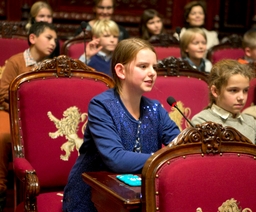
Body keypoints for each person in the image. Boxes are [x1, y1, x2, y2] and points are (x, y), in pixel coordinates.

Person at [62, 37, 180, 211]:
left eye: (154, 67)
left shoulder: (155, 108)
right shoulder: (101, 106)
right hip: (94, 196)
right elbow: (116, 159)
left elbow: (179, 146)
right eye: (143, 66)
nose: (152, 72)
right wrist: (163, 157)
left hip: (137, 195)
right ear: (121, 71)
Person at [0, 22, 57, 211]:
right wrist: (21, 107)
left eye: (55, 40)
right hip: (12, 113)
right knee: (3, 138)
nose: (53, 43)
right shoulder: (16, 62)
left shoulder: (52, 66)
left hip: (42, 117)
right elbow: (2, 93)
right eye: (49, 38)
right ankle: (0, 191)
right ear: (32, 38)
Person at [191, 59, 256, 144]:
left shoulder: (251, 122)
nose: (241, 97)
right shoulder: (201, 121)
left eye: (245, 90)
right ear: (215, 91)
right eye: (233, 90)